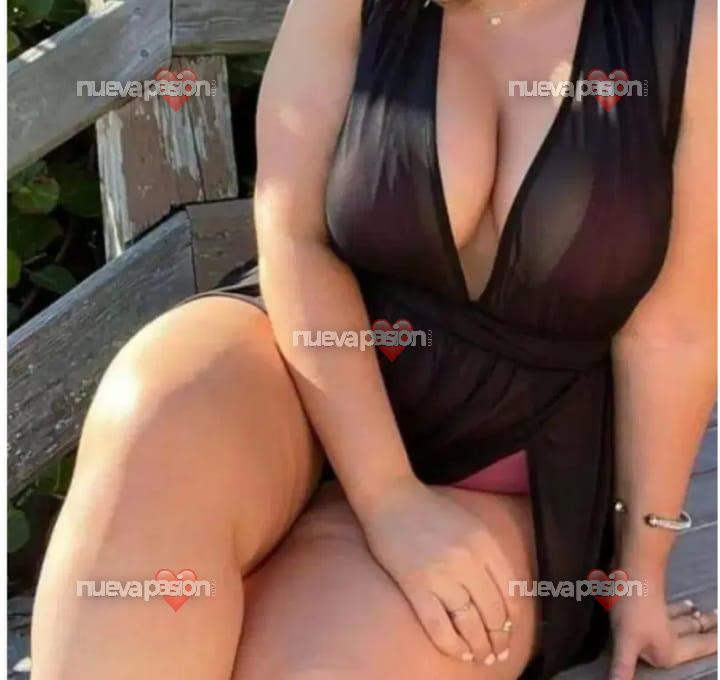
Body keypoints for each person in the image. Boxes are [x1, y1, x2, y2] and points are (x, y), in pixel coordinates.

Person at [31, 0, 717, 678]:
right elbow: (295, 233)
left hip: (511, 458)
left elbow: (673, 336)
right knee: (156, 419)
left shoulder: (691, 31)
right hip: (309, 364)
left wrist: (639, 573)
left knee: (322, 666)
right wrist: (387, 496)